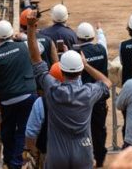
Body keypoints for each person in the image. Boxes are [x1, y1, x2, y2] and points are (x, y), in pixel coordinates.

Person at [27, 12, 112, 167]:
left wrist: (31, 28)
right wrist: (86, 65)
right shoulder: (88, 92)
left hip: (57, 156)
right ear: (80, 71)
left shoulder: (52, 90)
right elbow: (106, 82)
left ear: (61, 69)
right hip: (83, 154)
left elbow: (35, 59)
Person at [0, 19, 36, 169]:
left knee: (8, 129)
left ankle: (8, 158)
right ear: (12, 34)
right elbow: (36, 45)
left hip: (8, 100)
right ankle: (16, 161)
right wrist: (24, 37)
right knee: (23, 129)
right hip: (28, 95)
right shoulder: (24, 46)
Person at [75, 22, 111, 166]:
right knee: (99, 130)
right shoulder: (101, 49)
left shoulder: (77, 55)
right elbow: (103, 41)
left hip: (82, 100)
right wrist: (100, 30)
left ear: (78, 38)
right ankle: (100, 159)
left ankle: (85, 159)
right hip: (100, 99)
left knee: (82, 131)